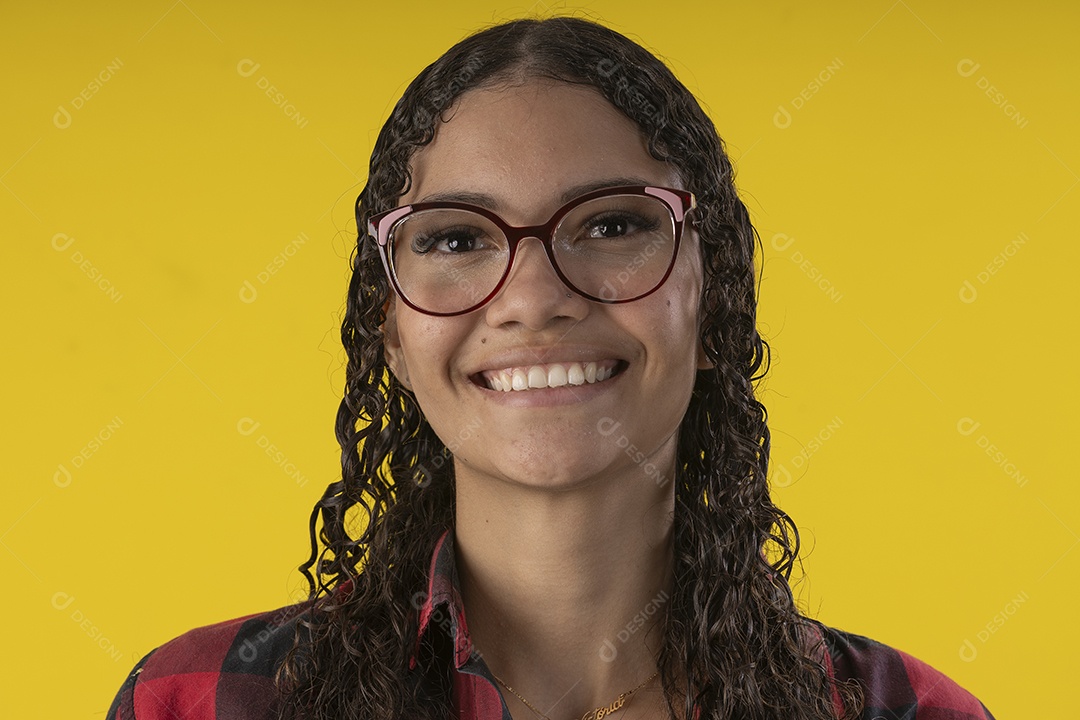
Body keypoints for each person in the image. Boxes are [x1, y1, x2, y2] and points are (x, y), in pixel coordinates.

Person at [107, 16, 996, 720]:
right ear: (390, 336)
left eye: (611, 225)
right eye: (456, 237)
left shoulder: (903, 713)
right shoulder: (201, 703)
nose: (531, 297)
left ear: (714, 288)